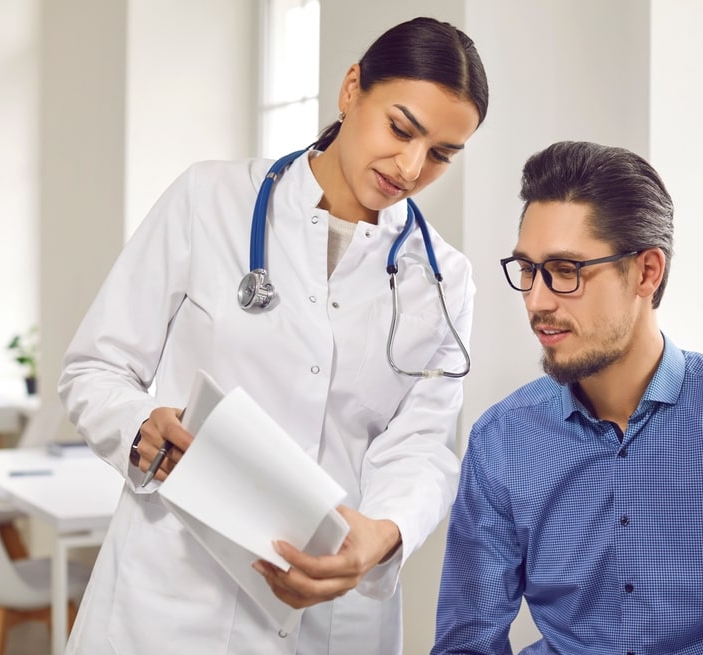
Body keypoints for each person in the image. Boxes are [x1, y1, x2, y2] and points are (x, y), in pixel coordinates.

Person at [58, 16, 489, 655]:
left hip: (330, 607)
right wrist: (141, 423)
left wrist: (383, 533)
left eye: (442, 156)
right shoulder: (209, 199)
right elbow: (94, 367)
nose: (411, 165)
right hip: (175, 595)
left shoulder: (444, 277)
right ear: (351, 90)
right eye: (402, 129)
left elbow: (422, 443)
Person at [431, 141, 703, 655]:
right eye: (528, 269)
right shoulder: (503, 439)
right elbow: (467, 644)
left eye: (566, 271)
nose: (537, 300)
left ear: (646, 272)